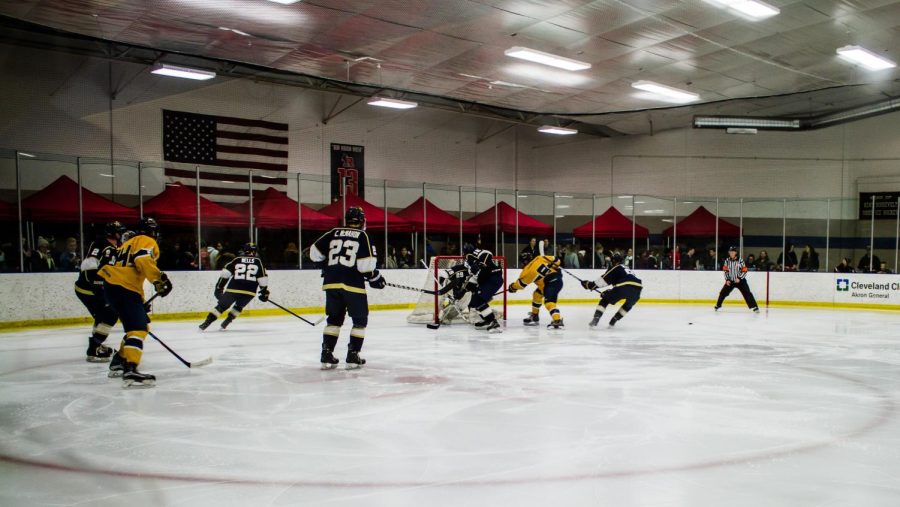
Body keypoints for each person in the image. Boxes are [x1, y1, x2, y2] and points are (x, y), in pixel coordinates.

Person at [98, 218, 172, 387]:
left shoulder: (126, 244)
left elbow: (129, 273)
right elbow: (143, 260)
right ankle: (130, 369)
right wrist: (159, 280)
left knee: (139, 326)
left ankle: (118, 361)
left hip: (113, 288)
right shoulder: (147, 241)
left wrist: (140, 301)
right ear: (152, 231)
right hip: (124, 289)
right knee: (138, 329)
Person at [310, 206, 385, 369]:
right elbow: (365, 266)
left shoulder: (333, 232)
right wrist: (376, 278)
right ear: (363, 221)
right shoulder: (363, 235)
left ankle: (326, 353)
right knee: (360, 321)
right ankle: (353, 355)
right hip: (353, 286)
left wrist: (326, 265)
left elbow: (314, 252)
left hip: (331, 283)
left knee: (334, 320)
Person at [74, 222, 124, 362]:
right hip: (88, 289)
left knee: (103, 316)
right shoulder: (100, 244)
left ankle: (96, 345)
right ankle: (94, 347)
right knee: (110, 314)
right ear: (114, 233)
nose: (121, 234)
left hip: (97, 289)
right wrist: (99, 288)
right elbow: (89, 266)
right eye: (119, 231)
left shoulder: (116, 248)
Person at [199, 243, 270, 330]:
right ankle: (226, 322)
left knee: (221, 307)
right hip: (249, 292)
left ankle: (206, 323)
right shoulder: (258, 261)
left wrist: (219, 287)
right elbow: (262, 278)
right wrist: (264, 292)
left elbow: (225, 274)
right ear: (254, 251)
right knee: (238, 306)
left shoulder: (237, 259)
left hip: (233, 289)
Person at [508, 244, 564, 329]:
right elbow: (557, 261)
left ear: (524, 262)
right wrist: (553, 265)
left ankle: (557, 320)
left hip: (550, 284)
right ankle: (535, 315)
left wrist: (512, 287)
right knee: (537, 295)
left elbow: (520, 285)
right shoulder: (540, 258)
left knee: (549, 302)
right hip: (557, 280)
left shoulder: (527, 271)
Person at [581, 253, 642, 327]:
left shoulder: (616, 267)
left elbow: (604, 280)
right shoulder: (626, 268)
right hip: (638, 289)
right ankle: (613, 321)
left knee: (605, 299)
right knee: (628, 305)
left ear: (614, 261)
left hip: (624, 286)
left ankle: (596, 319)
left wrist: (589, 285)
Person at [465, 247, 505, 332]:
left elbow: (487, 254)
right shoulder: (470, 262)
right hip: (487, 279)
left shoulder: (479, 254)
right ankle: (487, 320)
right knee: (475, 300)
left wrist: (481, 264)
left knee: (479, 300)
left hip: (493, 277)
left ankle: (493, 322)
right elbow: (476, 277)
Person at [714, 246, 759, 313]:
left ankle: (755, 307)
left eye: (732, 252)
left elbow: (745, 270)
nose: (731, 253)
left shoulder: (740, 260)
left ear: (735, 252)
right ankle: (718, 305)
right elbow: (725, 271)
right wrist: (727, 280)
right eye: (730, 252)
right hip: (731, 281)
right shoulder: (727, 260)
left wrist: (739, 278)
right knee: (723, 293)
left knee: (747, 293)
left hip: (741, 281)